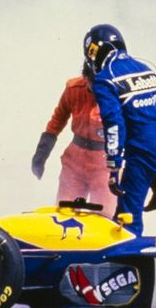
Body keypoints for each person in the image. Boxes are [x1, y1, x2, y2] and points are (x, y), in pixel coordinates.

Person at [82, 24, 156, 235]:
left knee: (127, 215)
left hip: (149, 151)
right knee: (137, 130)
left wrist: (113, 166)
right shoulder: (146, 67)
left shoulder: (104, 79)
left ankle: (130, 263)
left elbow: (114, 124)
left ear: (94, 52)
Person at [30, 66, 116, 216]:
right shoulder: (73, 89)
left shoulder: (119, 94)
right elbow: (57, 120)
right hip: (75, 163)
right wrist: (41, 155)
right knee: (64, 214)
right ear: (86, 78)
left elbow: (138, 130)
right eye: (93, 83)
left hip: (105, 165)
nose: (97, 89)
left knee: (105, 217)